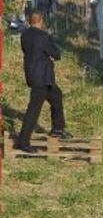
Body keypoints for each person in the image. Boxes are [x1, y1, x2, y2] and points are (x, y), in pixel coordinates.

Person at [17, 10, 70, 153]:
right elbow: (56, 53)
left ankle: (58, 128)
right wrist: (50, 56)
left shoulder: (25, 35)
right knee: (33, 110)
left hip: (37, 77)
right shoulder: (43, 36)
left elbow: (29, 51)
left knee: (57, 96)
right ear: (40, 21)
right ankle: (23, 142)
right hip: (42, 78)